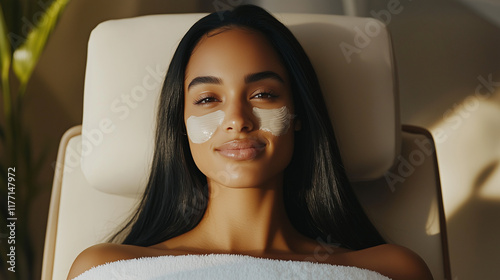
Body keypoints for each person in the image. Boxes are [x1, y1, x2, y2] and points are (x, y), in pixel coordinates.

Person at [67, 4, 432, 280]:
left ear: (299, 114)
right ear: (180, 124)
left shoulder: (392, 271)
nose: (238, 120)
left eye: (263, 94)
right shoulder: (108, 270)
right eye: (208, 99)